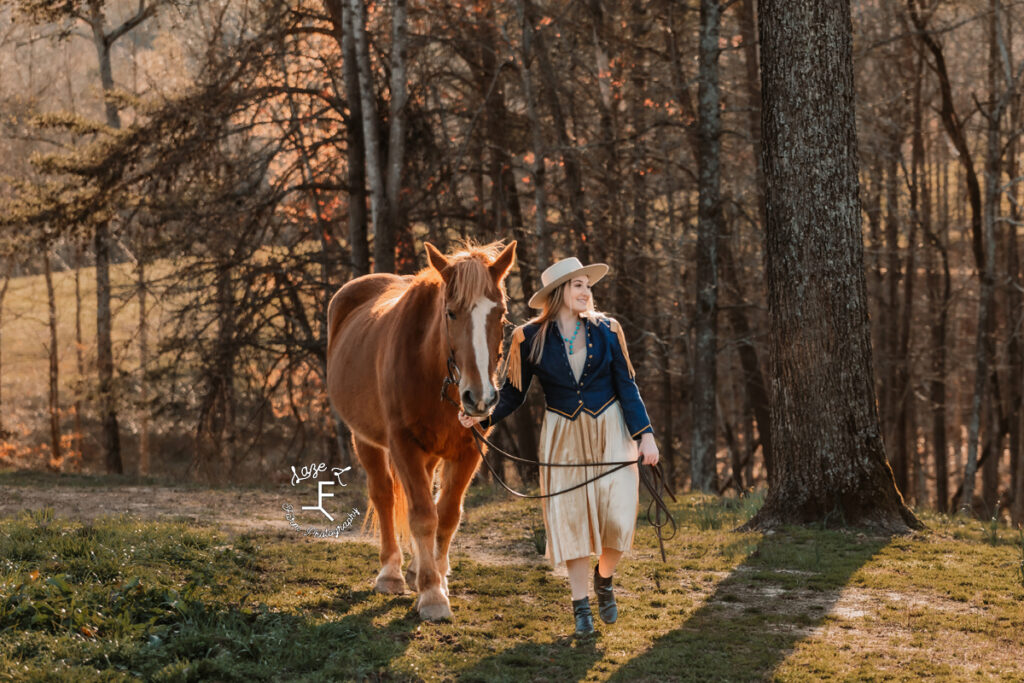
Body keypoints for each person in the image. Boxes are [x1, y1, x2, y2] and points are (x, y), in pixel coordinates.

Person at [458, 256, 659, 637]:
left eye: (588, 285)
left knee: (619, 517)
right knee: (573, 522)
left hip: (611, 430)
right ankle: (580, 607)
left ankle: (605, 577)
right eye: (578, 285)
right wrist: (481, 418)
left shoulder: (608, 330)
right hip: (563, 436)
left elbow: (627, 387)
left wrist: (645, 434)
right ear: (558, 293)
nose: (587, 292)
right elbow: (514, 395)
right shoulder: (528, 337)